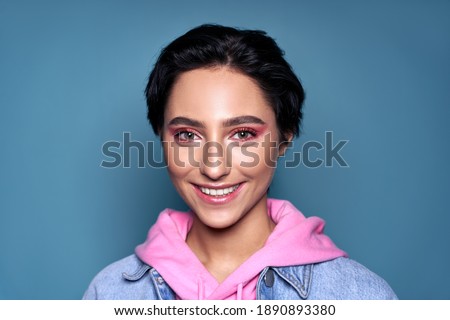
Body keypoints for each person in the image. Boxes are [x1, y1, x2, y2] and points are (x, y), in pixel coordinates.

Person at [83, 24, 397, 300]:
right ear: (162, 137)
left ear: (284, 139)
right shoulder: (109, 293)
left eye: (243, 134)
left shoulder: (360, 298)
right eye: (188, 135)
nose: (214, 168)